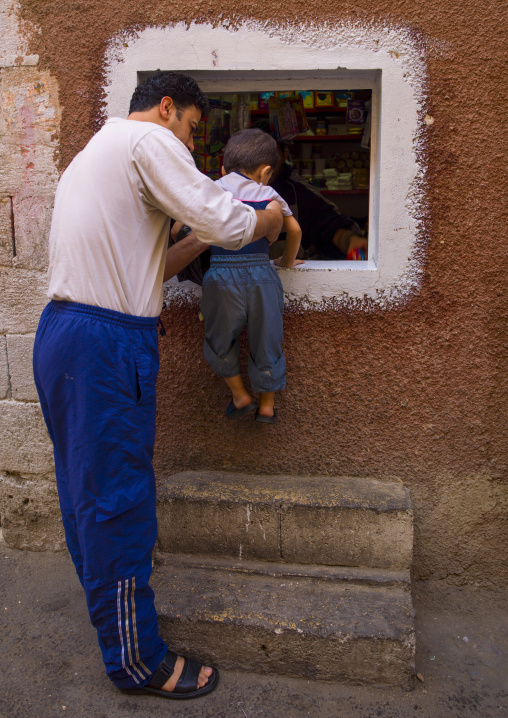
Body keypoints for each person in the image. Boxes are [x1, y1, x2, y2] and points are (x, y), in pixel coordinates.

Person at [32, 72, 283, 701]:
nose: (194, 147)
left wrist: (193, 233)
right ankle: (138, 662)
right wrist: (268, 217)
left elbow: (152, 264)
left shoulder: (97, 153)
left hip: (69, 334)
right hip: (104, 344)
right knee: (117, 502)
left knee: (90, 495)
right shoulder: (149, 143)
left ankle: (117, 623)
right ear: (168, 108)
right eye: (195, 128)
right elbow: (229, 223)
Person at [175, 129, 302, 424]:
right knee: (267, 337)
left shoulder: (211, 189)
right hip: (262, 273)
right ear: (266, 171)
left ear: (222, 169)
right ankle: (267, 406)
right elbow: (294, 231)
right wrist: (286, 260)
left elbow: (176, 229)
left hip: (220, 273)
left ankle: (240, 394)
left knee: (219, 338)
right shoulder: (269, 194)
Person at [255, 122, 368, 259]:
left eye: (270, 153)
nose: (263, 162)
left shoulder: (298, 192)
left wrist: (350, 241)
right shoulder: (228, 190)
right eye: (255, 153)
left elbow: (330, 227)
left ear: (284, 155)